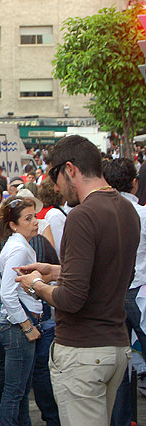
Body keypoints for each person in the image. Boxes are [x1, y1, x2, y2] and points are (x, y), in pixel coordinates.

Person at [16, 135, 140, 426]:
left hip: (84, 352)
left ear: (69, 169)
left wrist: (35, 284)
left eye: (54, 175)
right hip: (115, 348)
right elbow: (115, 272)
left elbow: (71, 299)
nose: (55, 187)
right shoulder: (127, 210)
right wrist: (55, 271)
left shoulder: (82, 215)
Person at [102, 158, 146, 425]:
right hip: (138, 292)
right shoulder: (141, 213)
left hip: (113, 295)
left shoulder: (101, 212)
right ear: (134, 182)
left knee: (121, 365)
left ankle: (123, 420)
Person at [0, 197, 42, 426]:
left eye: (35, 216)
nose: (35, 222)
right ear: (14, 224)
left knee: (19, 391)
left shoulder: (19, 245)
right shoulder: (18, 248)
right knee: (15, 392)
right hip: (17, 324)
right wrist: (27, 326)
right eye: (28, 218)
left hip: (18, 320)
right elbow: (8, 293)